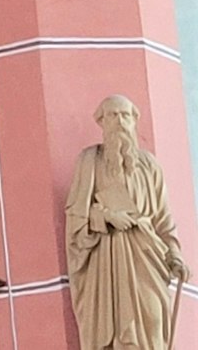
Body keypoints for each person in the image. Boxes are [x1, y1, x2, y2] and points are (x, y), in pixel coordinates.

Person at [67, 94, 191, 349]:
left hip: (147, 256)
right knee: (114, 330)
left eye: (125, 115)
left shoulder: (150, 165)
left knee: (154, 320)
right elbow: (76, 215)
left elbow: (163, 218)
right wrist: (107, 217)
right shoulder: (90, 161)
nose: (120, 121)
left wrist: (175, 255)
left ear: (134, 120)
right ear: (101, 122)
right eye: (113, 115)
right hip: (108, 260)